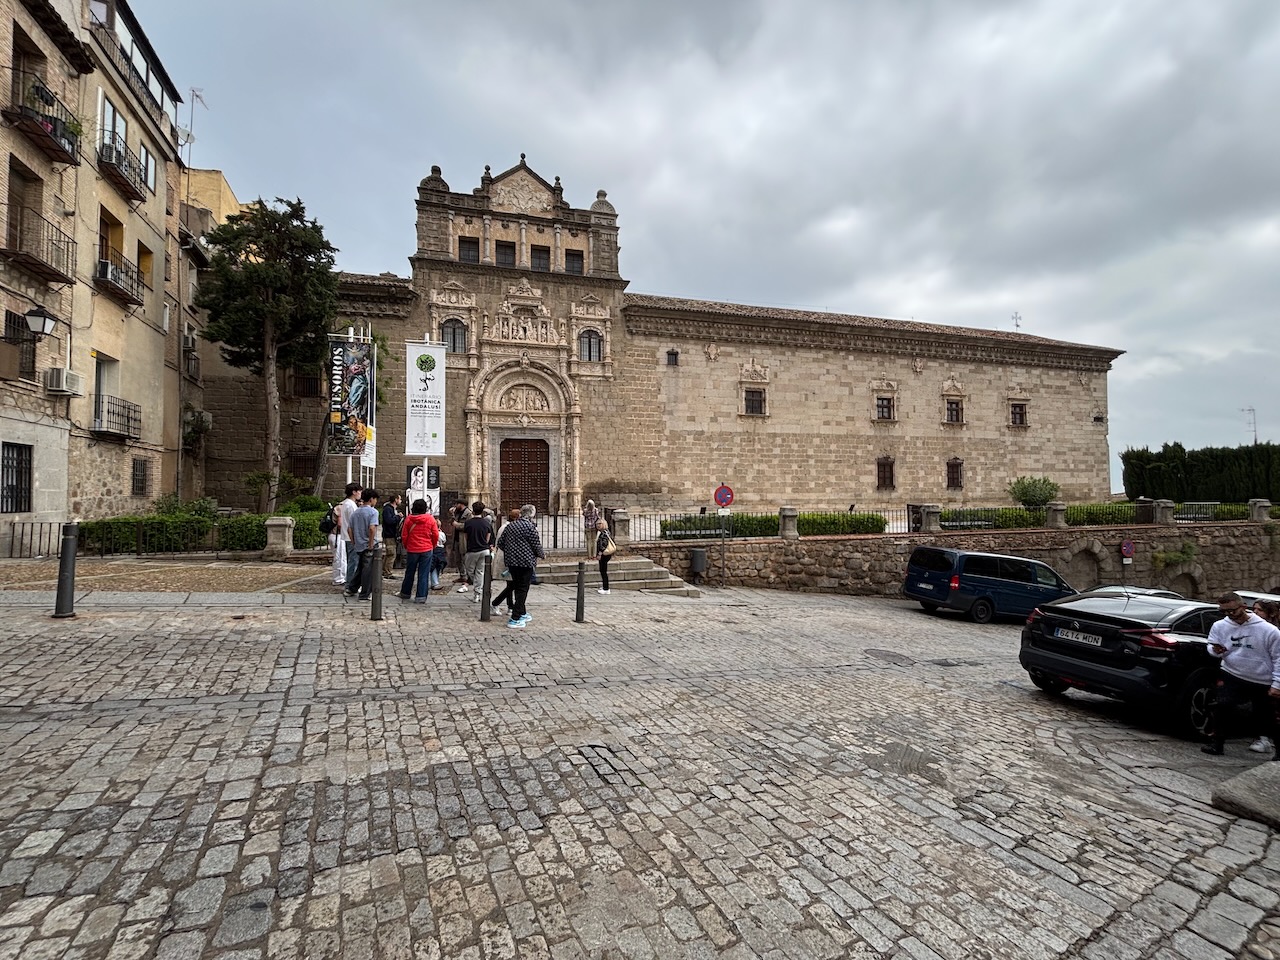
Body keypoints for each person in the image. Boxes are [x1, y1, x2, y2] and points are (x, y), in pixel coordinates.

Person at [1201, 592, 1280, 760]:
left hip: (1261, 678)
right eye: (1224, 611)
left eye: (1233, 611)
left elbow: (1278, 658)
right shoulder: (1220, 626)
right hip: (1232, 672)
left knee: (1268, 716)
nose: (1229, 615)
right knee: (1222, 706)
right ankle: (1217, 744)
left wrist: (1277, 684)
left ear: (1243, 607)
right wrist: (1215, 650)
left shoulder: (1269, 631)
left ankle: (1278, 751)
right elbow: (1211, 644)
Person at [494, 504, 545, 629]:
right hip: (526, 562)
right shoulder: (530, 527)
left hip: (511, 562)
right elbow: (536, 544)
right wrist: (541, 555)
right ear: (532, 514)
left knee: (517, 587)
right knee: (522, 590)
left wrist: (512, 552)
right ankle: (515, 618)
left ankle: (522, 613)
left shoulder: (510, 526)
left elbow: (501, 543)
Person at [398, 499, 440, 603]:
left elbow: (404, 535)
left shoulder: (409, 519)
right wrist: (433, 545)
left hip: (412, 549)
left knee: (409, 572)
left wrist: (407, 545)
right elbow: (435, 534)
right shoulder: (430, 519)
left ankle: (405, 593)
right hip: (426, 548)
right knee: (424, 573)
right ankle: (421, 596)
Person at [344, 488, 381, 601]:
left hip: (359, 544)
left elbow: (349, 529)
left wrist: (353, 541)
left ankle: (352, 588)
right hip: (368, 544)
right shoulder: (373, 512)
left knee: (360, 567)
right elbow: (372, 528)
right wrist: (371, 543)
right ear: (371, 499)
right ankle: (365, 593)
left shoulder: (356, 512)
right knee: (368, 571)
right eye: (375, 499)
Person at [460, 502, 496, 602]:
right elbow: (488, 538)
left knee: (470, 571)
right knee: (480, 572)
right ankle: (478, 591)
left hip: (472, 550)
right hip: (484, 550)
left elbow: (466, 537)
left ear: (473, 510)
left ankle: (477, 591)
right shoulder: (486, 523)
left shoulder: (468, 523)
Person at [336, 482, 362, 591]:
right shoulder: (350, 505)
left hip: (348, 536)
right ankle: (351, 584)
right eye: (359, 491)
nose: (360, 493)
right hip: (351, 537)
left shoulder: (346, 504)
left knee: (352, 561)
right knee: (353, 562)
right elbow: (353, 522)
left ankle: (351, 583)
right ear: (354, 492)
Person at [382, 493, 405, 576]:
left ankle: (385, 570)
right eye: (399, 499)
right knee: (391, 554)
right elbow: (389, 521)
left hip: (392, 534)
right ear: (396, 500)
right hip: (389, 534)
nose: (401, 501)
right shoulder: (388, 509)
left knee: (389, 553)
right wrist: (397, 517)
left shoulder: (392, 509)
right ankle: (387, 571)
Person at [594, 517, 614, 595]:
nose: (598, 525)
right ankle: (605, 586)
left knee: (603, 571)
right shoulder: (604, 532)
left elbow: (603, 545)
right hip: (604, 554)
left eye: (600, 524)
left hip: (604, 554)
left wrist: (599, 554)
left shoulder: (604, 533)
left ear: (604, 524)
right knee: (603, 571)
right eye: (597, 524)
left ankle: (606, 588)